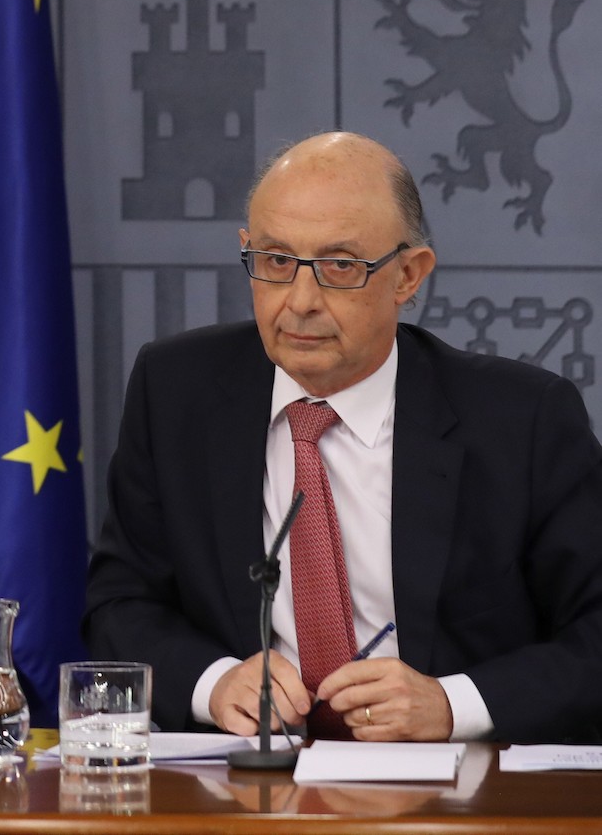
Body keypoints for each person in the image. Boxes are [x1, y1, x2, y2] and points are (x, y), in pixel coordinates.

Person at [87, 132, 602, 743]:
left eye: (340, 266)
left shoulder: (522, 420)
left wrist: (450, 704)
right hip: (251, 774)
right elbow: (119, 604)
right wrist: (215, 683)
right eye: (276, 261)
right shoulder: (176, 390)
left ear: (408, 275)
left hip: (455, 781)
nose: (300, 301)